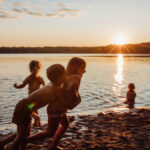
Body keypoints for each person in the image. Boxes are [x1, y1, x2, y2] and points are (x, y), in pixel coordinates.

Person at [21, 57, 86, 150]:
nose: (84, 71)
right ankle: (25, 141)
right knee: (49, 132)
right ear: (75, 67)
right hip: (56, 109)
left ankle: (53, 146)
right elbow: (72, 94)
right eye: (83, 68)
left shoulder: (63, 78)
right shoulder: (75, 78)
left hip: (58, 108)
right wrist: (77, 100)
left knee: (65, 124)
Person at [0, 64, 66, 150]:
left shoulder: (51, 85)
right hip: (24, 108)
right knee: (21, 136)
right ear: (61, 76)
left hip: (24, 106)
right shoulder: (55, 89)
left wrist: (32, 112)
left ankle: (2, 143)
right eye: (64, 75)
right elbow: (65, 101)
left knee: (24, 133)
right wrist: (32, 113)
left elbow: (33, 103)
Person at [14, 60, 45, 128]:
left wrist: (16, 86)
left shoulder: (31, 78)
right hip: (37, 98)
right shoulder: (37, 78)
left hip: (32, 98)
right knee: (33, 109)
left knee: (29, 109)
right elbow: (45, 87)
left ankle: (37, 119)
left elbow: (23, 85)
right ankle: (36, 122)